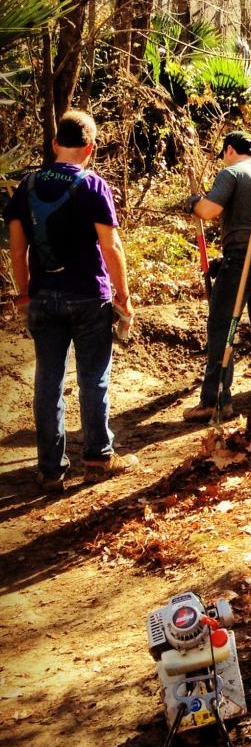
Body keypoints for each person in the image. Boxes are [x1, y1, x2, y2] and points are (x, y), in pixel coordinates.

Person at [4, 110, 138, 489]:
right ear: (91, 149)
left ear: (54, 144)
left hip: (44, 297)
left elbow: (17, 251)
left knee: (48, 382)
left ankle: (50, 470)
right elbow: (111, 247)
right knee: (93, 380)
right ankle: (98, 459)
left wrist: (24, 294)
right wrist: (123, 297)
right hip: (88, 297)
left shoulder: (26, 188)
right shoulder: (94, 187)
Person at [182, 130, 251, 423]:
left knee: (222, 325)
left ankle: (215, 400)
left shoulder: (232, 172)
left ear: (230, 150)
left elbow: (209, 211)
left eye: (223, 155)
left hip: (241, 259)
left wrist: (193, 202)